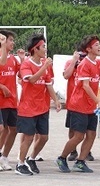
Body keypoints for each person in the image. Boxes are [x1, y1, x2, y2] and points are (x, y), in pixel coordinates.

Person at [56, 30, 100, 173]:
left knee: (91, 135)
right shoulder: (84, 64)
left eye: (99, 44)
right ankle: (62, 157)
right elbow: (85, 86)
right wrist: (99, 101)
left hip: (90, 107)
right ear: (88, 49)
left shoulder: (98, 63)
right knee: (78, 136)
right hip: (79, 105)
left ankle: (80, 161)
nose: (99, 46)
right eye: (96, 45)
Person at [15, 33, 62, 176]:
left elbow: (48, 85)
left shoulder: (44, 65)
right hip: (28, 108)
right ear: (35, 49)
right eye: (43, 47)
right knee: (28, 137)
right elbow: (33, 80)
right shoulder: (26, 64)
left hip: (42, 107)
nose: (45, 50)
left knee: (44, 137)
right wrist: (45, 66)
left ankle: (32, 158)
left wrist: (56, 100)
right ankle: (20, 164)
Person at [0, 31, 24, 171]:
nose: (12, 43)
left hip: (12, 101)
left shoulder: (14, 59)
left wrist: (22, 60)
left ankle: (4, 157)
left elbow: (22, 75)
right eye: (10, 40)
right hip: (1, 101)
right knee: (2, 129)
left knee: (13, 129)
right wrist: (2, 86)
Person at [63, 49, 87, 162]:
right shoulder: (70, 62)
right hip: (73, 101)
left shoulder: (89, 63)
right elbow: (66, 75)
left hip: (87, 101)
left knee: (87, 129)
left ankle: (86, 151)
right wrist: (74, 61)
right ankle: (73, 150)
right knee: (72, 128)